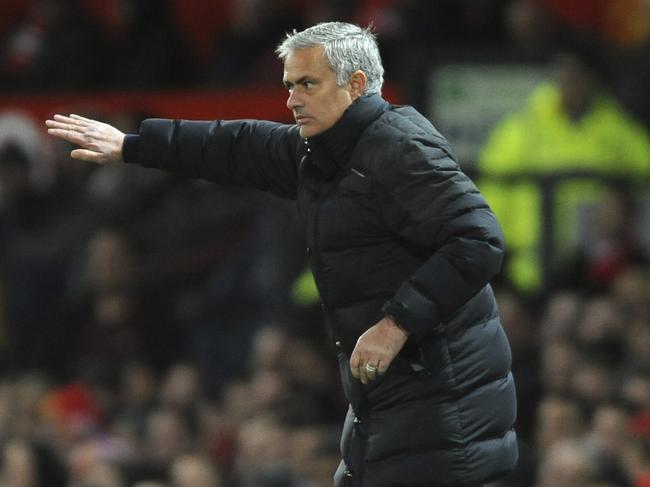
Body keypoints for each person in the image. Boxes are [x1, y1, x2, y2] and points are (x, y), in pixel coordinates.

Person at [46, 22, 517, 487]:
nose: (292, 99)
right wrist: (132, 145)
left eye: (307, 84)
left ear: (355, 84)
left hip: (446, 398)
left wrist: (396, 324)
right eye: (290, 85)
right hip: (400, 393)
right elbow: (234, 147)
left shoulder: (400, 148)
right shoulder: (325, 151)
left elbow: (479, 240)